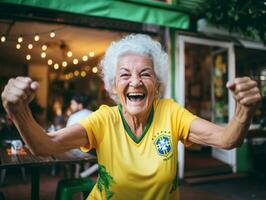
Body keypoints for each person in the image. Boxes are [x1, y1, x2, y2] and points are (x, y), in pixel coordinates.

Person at [1, 34, 261, 200]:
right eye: (125, 75)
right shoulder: (104, 119)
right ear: (114, 87)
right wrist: (19, 112)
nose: (135, 81)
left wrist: (243, 111)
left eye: (145, 74)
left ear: (157, 85)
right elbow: (46, 145)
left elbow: (227, 140)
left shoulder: (170, 113)